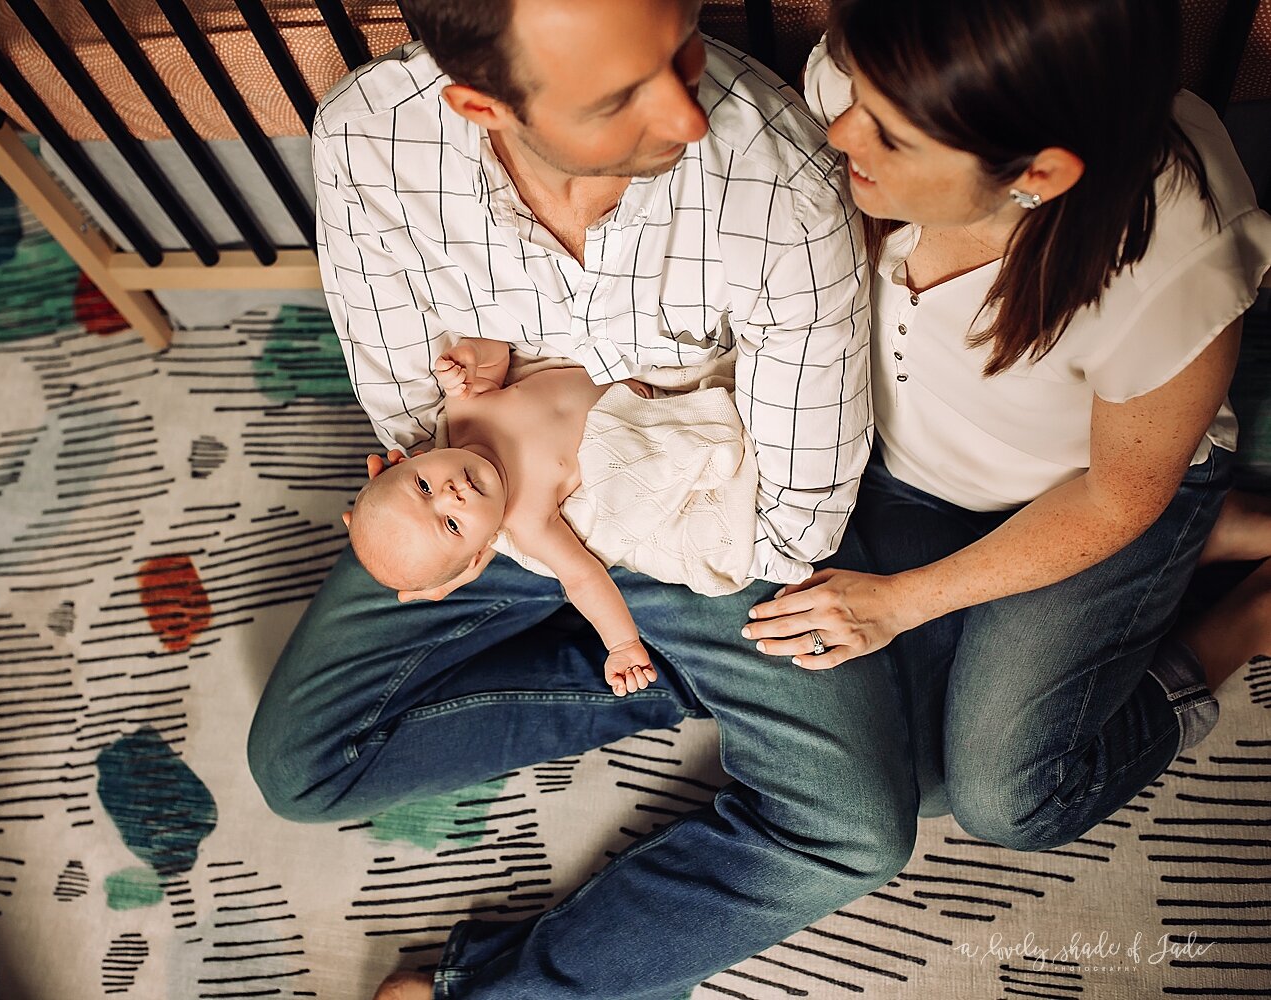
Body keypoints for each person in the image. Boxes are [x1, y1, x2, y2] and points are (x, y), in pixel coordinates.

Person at [247, 1, 918, 998]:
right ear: (482, 104)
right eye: (619, 97)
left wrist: (689, 569)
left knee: (857, 828)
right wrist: (487, 526)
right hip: (479, 517)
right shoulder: (372, 137)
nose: (689, 114)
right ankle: (662, 680)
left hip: (699, 522)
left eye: (680, 48)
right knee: (300, 766)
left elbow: (803, 492)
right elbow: (405, 406)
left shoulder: (772, 164)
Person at [745, 0, 1271, 847]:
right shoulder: (889, 70)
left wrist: (903, 604)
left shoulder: (1172, 259)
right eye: (855, 97)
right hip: (909, 471)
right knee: (905, 780)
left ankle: (1244, 612)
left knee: (1009, 800)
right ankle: (1202, 543)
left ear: (1039, 173)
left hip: (1091, 493)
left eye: (891, 132)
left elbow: (1116, 497)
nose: (840, 133)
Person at [346, 337, 759, 696]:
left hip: (630, 355)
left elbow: (496, 358)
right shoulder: (528, 523)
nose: (449, 496)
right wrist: (620, 644)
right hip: (653, 407)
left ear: (411, 458)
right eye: (452, 524)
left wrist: (469, 359)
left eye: (422, 487)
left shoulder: (465, 409)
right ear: (479, 553)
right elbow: (581, 577)